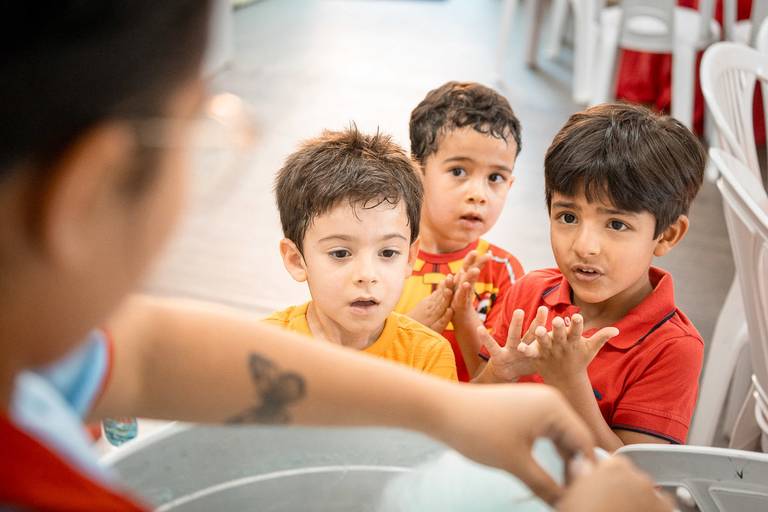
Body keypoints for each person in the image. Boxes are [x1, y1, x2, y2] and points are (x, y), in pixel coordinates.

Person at [0, 3, 672, 511]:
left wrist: (450, 408)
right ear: (86, 194)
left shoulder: (32, 346)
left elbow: (145, 349)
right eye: (198, 131)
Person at [475, 103, 706, 451]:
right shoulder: (530, 294)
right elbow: (467, 414)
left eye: (616, 224)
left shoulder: (672, 348)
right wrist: (499, 373)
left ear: (667, 235)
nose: (584, 246)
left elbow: (632, 473)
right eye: (568, 217)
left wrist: (570, 383)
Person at [267, 127, 457, 380]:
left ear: (410, 258)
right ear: (296, 260)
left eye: (388, 252)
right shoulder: (264, 346)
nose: (367, 275)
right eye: (340, 253)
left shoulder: (427, 355)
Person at [396, 81, 525, 381]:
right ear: (417, 173)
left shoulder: (503, 272)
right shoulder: (384, 258)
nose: (478, 194)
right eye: (458, 171)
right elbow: (350, 358)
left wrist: (465, 317)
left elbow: (497, 380)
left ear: (510, 185)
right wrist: (407, 330)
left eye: (495, 177)